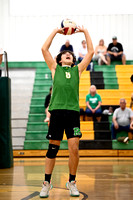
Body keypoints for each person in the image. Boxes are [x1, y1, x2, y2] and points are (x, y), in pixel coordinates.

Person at [40, 26, 94, 198]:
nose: (68, 53)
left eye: (70, 53)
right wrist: (56, 31)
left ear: (73, 59)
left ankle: (72, 182)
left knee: (74, 148)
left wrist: (84, 31)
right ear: (60, 59)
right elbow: (44, 48)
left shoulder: (77, 70)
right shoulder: (55, 69)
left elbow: (91, 52)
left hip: (72, 114)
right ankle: (46, 183)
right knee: (53, 149)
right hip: (56, 113)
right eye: (64, 53)